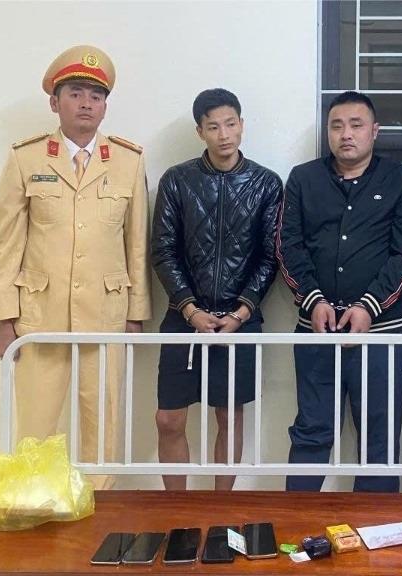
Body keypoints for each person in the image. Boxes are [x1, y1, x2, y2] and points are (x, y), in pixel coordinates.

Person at [0, 45, 151, 488]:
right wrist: (5, 319)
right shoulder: (26, 158)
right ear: (54, 102)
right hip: (39, 316)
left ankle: (102, 504)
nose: (86, 104)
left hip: (105, 314)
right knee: (35, 425)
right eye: (76, 93)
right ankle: (32, 503)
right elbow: (6, 245)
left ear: (105, 106)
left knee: (104, 423)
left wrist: (136, 315)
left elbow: (136, 243)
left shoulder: (128, 160)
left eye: (96, 96)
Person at [277, 90, 402, 492]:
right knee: (311, 431)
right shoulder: (303, 179)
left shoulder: (399, 179)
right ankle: (299, 521)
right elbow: (288, 246)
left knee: (379, 440)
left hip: (381, 335)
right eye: (336, 126)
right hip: (316, 331)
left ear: (375, 131)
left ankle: (373, 528)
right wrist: (313, 300)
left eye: (356, 125)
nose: (346, 134)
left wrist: (368, 307)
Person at [151, 88, 282, 490]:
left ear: (242, 125)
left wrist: (241, 312)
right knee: (168, 418)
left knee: (229, 415)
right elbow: (163, 251)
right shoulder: (177, 180)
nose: (224, 134)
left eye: (230, 124)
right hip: (184, 315)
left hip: (239, 318)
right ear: (200, 131)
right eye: (213, 127)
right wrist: (190, 309)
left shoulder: (266, 183)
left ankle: (220, 508)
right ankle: (178, 511)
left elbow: (270, 257)